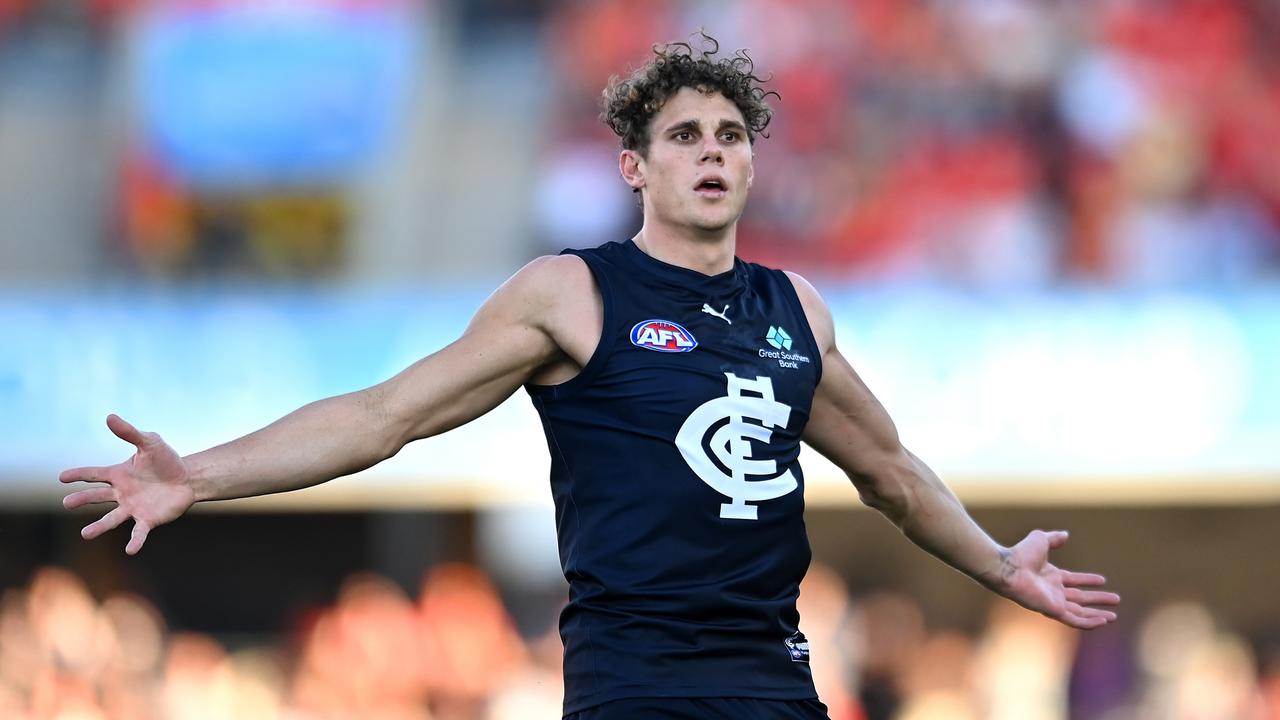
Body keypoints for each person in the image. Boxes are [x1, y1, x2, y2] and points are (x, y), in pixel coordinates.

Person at [59, 34, 1120, 720]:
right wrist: (197, 474)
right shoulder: (572, 294)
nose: (710, 152)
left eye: (729, 135)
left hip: (773, 684)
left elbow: (890, 473)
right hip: (633, 689)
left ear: (751, 162)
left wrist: (995, 564)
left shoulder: (796, 311)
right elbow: (384, 416)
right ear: (635, 167)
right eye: (683, 136)